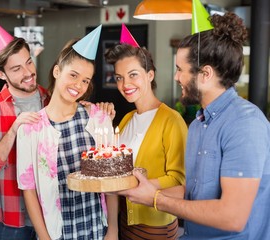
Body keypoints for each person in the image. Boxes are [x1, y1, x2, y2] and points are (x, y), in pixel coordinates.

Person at [119, 11, 270, 240]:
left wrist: (157, 200)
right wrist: (139, 191)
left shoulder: (245, 124)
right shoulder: (200, 124)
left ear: (205, 74)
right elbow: (194, 192)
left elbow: (233, 217)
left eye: (180, 69)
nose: (176, 77)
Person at [0, 17, 114, 240]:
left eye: (29, 62)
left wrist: (96, 109)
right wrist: (13, 132)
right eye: (17, 68)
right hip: (13, 220)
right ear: (1, 74)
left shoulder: (49, 98)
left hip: (58, 215)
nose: (28, 72)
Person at [16, 27, 118, 240]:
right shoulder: (30, 129)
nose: (79, 85)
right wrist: (44, 238)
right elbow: (29, 191)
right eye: (73, 75)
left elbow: (112, 181)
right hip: (56, 233)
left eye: (85, 80)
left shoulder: (99, 119)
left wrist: (113, 230)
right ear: (56, 71)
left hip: (96, 229)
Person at [104, 24, 187, 240]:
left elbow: (179, 181)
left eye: (133, 75)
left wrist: (130, 184)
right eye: (119, 77)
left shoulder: (171, 120)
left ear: (150, 75)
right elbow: (113, 179)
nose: (125, 84)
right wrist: (112, 229)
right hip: (124, 222)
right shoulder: (125, 120)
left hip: (155, 226)